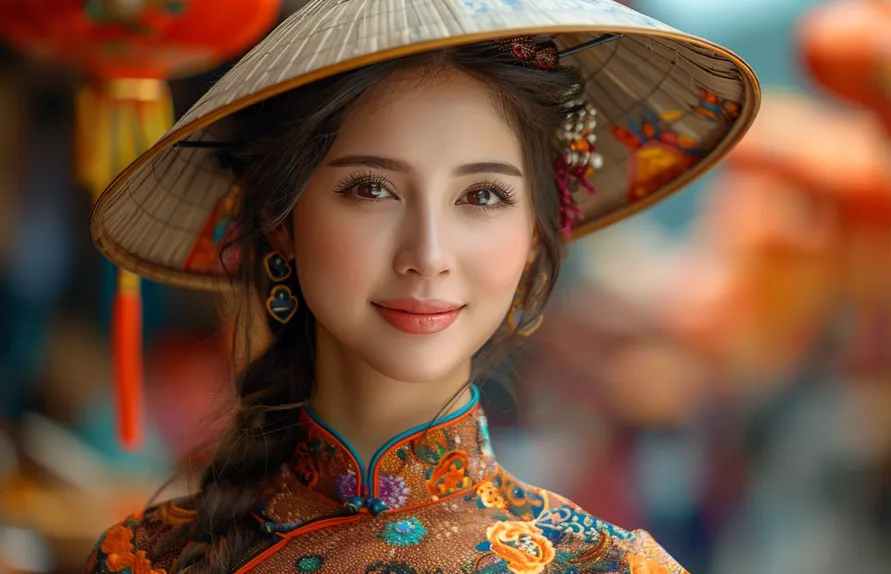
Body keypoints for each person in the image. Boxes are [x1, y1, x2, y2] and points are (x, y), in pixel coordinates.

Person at [85, 0, 758, 572]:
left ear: (532, 237)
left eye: (484, 195)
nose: (428, 255)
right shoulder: (145, 558)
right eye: (370, 189)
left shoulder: (604, 566)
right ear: (281, 222)